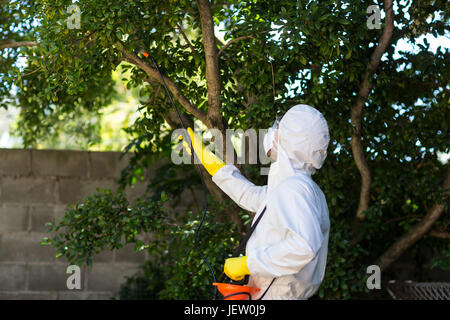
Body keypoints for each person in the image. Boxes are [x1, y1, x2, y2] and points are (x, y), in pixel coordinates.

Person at [182, 104, 330, 300]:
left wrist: (248, 264)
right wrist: (211, 163)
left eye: (279, 129)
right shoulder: (298, 188)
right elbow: (251, 196)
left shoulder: (294, 189)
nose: (273, 133)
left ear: (291, 140)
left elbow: (304, 247)